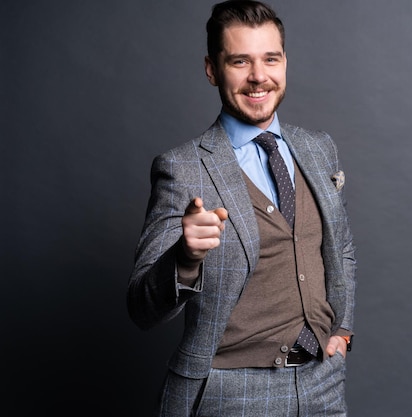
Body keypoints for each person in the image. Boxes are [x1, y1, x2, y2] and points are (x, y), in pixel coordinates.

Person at [127, 1, 357, 415]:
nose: (258, 77)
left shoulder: (318, 149)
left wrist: (341, 332)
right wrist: (184, 258)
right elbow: (141, 308)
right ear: (212, 69)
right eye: (240, 61)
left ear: (285, 62)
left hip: (323, 383)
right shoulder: (182, 169)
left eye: (270, 58)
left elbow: (340, 249)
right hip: (230, 394)